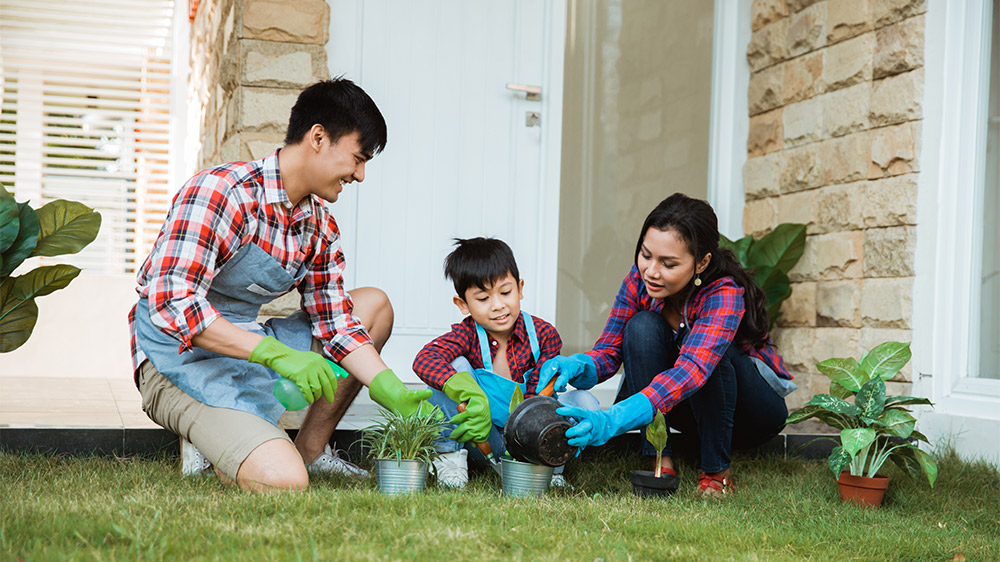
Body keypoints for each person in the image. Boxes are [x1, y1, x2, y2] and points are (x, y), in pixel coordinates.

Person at [129, 78, 435, 492]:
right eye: (358, 158)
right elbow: (172, 304)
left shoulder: (320, 226)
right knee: (283, 481)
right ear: (318, 137)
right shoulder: (222, 193)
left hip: (247, 348)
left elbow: (338, 325)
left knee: (372, 306)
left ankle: (308, 451)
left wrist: (387, 386)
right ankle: (217, 436)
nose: (360, 176)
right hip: (174, 359)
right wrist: (275, 354)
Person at [540, 193, 796, 497]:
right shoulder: (639, 281)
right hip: (690, 409)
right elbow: (609, 351)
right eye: (646, 255)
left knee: (714, 355)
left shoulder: (723, 293)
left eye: (668, 263)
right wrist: (576, 366)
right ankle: (659, 461)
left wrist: (613, 419)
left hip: (750, 414)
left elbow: (693, 371)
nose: (651, 271)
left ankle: (717, 472)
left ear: (701, 262)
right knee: (641, 327)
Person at [412, 237, 589, 488]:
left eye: (506, 292)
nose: (498, 306)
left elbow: (539, 398)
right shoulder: (468, 334)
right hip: (484, 440)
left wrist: (533, 444)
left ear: (520, 288)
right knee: (456, 366)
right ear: (463, 304)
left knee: (584, 401)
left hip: (534, 439)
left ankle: (552, 470)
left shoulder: (544, 335)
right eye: (483, 299)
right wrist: (466, 391)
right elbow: (425, 359)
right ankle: (449, 458)